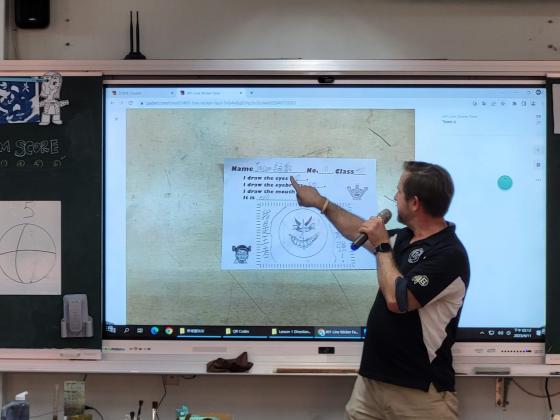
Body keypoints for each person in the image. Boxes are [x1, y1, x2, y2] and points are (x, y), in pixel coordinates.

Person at [290, 161, 469, 420]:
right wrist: (321, 203)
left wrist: (383, 246)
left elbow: (398, 300)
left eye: (399, 191)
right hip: (371, 385)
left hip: (419, 393)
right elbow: (357, 230)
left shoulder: (449, 254)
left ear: (414, 203)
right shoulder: (406, 238)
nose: (395, 197)